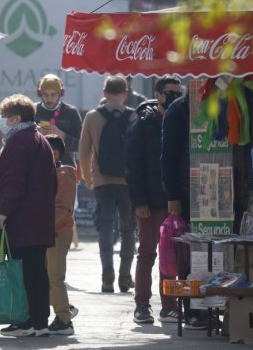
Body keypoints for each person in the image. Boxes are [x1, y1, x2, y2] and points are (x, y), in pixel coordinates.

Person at [0, 94, 57, 337]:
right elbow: (52, 183)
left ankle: (28, 321)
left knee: (24, 273)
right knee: (37, 271)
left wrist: (3, 212)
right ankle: (40, 322)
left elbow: (13, 182)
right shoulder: (40, 140)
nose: (2, 121)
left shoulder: (18, 142)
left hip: (23, 221)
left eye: (5, 117)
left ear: (16, 118)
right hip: (40, 219)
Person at [125, 77, 183, 324]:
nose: (174, 97)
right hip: (148, 202)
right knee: (147, 254)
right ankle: (142, 305)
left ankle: (169, 304)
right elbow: (133, 167)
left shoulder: (179, 119)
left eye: (177, 93)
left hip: (172, 202)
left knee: (170, 256)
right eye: (170, 93)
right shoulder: (142, 125)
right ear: (158, 94)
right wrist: (139, 201)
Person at [78, 76, 137, 293]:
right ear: (125, 93)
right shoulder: (133, 116)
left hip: (101, 180)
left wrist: (87, 177)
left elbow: (84, 150)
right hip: (128, 181)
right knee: (128, 229)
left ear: (104, 93)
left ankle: (107, 275)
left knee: (105, 226)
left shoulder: (93, 117)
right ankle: (124, 276)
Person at [161, 90, 208, 330]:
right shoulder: (178, 110)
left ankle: (209, 307)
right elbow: (168, 157)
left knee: (211, 254)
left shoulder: (218, 104)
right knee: (189, 257)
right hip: (187, 195)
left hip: (213, 193)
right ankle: (191, 310)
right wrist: (173, 196)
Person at [44, 134, 77, 336]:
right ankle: (64, 308)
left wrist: (41, 226)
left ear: (54, 153)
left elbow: (63, 209)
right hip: (49, 233)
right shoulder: (50, 173)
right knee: (48, 278)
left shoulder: (63, 175)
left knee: (55, 278)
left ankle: (64, 318)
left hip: (56, 233)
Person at [35, 74, 83, 167]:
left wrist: (62, 135)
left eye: (53, 95)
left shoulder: (71, 112)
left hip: (65, 169)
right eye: (45, 95)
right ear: (39, 94)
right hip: (37, 167)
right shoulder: (31, 110)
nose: (49, 99)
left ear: (60, 94)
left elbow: (80, 146)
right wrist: (34, 134)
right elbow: (21, 143)